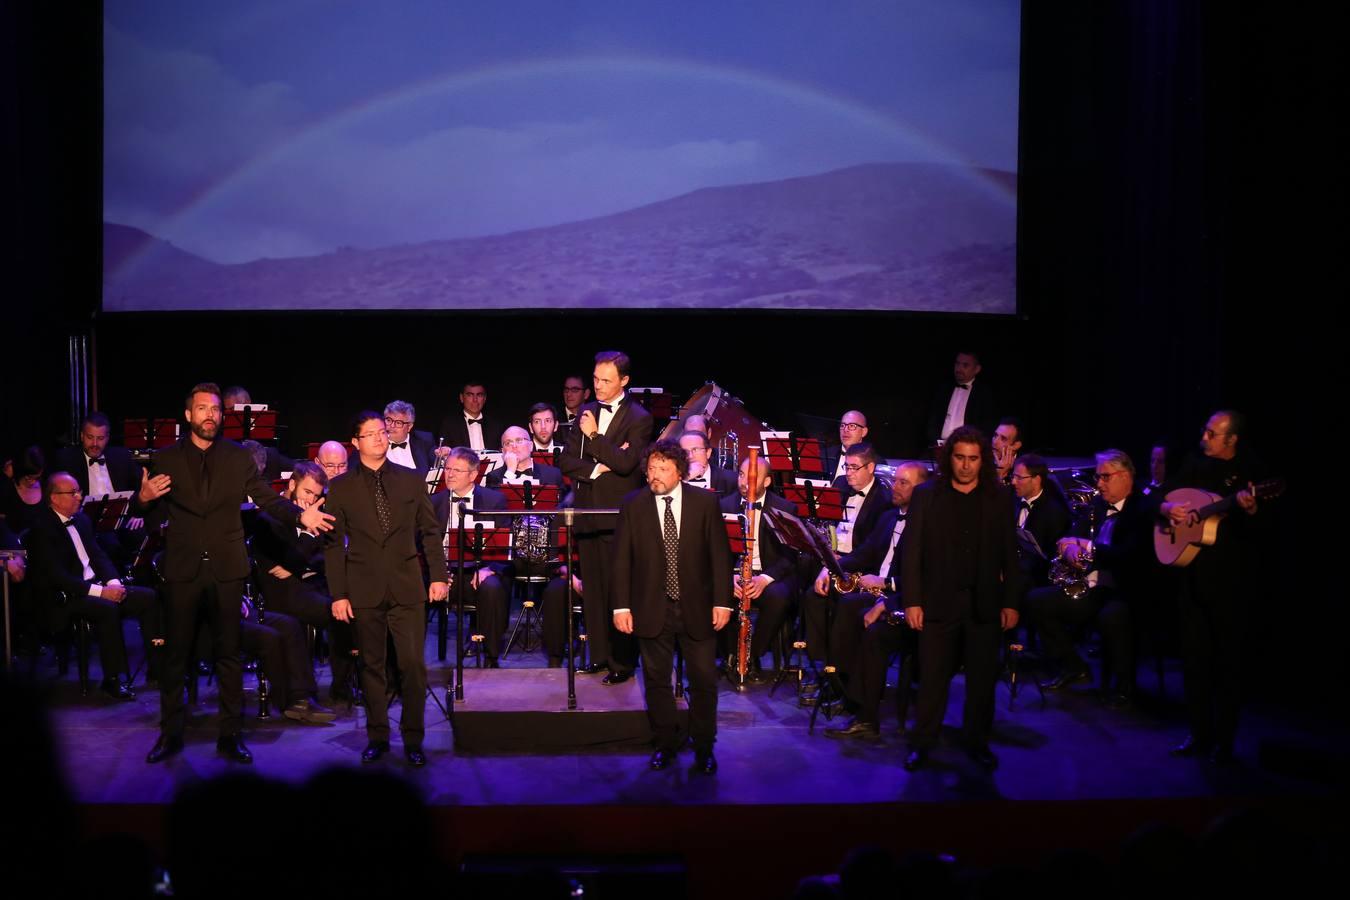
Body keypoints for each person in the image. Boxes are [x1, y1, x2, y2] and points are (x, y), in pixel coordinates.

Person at [136, 383, 334, 764]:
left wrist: (300, 514)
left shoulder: (237, 457)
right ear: (188, 415)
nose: (209, 414)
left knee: (228, 653)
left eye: (215, 409)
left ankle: (230, 735)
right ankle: (170, 734)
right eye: (202, 409)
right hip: (183, 569)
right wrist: (142, 499)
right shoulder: (166, 458)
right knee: (177, 656)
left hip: (227, 569)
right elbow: (148, 515)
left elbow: (267, 498)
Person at [324, 411, 448, 766]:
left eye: (383, 432)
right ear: (356, 442)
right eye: (371, 434)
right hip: (362, 589)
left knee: (412, 665)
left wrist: (438, 575)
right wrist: (338, 594)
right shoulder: (342, 486)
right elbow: (333, 545)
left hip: (407, 585)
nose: (380, 437)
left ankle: (413, 739)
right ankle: (377, 736)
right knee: (371, 666)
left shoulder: (411, 480)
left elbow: (429, 530)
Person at [900, 426, 1020, 771]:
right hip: (938, 603)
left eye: (972, 459)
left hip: (983, 603)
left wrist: (1011, 602)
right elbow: (912, 553)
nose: (966, 465)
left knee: (982, 682)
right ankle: (923, 743)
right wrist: (912, 601)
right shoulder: (926, 495)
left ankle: (977, 742)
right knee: (933, 679)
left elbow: (1009, 556)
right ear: (948, 457)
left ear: (981, 460)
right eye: (959, 457)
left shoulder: (997, 498)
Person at [612, 439, 733, 774]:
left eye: (663, 469)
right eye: (651, 469)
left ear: (680, 471)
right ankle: (664, 744)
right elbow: (621, 560)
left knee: (703, 681)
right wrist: (621, 607)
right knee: (656, 681)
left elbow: (720, 557)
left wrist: (723, 601)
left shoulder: (704, 503)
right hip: (652, 608)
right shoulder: (634, 505)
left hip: (697, 608)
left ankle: (704, 746)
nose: (655, 475)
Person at [1162, 410, 1263, 764]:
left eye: (1212, 433)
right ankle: (1199, 734)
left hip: (1231, 586)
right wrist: (1169, 506)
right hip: (1193, 579)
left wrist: (1250, 512)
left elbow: (1262, 534)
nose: (1203, 437)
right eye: (1205, 431)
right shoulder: (1194, 463)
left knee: (1228, 666)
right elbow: (1161, 496)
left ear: (1231, 439)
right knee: (1194, 663)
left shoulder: (1251, 471)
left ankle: (1225, 741)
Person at [558, 350, 653, 684]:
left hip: (618, 517)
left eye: (606, 381)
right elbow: (567, 462)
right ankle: (598, 656)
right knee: (594, 591)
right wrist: (600, 466)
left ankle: (622, 663)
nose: (597, 386)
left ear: (624, 381)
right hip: (587, 513)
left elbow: (628, 466)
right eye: (595, 379)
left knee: (619, 591)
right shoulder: (586, 411)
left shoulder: (639, 417)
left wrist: (596, 438)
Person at [1027, 450, 1150, 707]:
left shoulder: (1142, 508)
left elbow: (1130, 554)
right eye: (1098, 477)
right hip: (1094, 587)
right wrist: (1069, 546)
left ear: (1125, 476)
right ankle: (1073, 666)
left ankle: (1124, 683)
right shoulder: (1096, 505)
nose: (1099, 483)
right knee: (1037, 600)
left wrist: (1090, 550)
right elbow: (1072, 536)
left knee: (1112, 617)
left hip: (1126, 588)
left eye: (1105, 477)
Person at [25, 472, 163, 700]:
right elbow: (57, 577)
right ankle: (113, 678)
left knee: (149, 597)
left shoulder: (82, 520)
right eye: (73, 493)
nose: (79, 497)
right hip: (66, 594)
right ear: (54, 498)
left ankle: (157, 667)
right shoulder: (42, 528)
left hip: (94, 586)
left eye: (79, 491)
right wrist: (101, 592)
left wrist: (114, 583)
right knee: (107, 609)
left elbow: (99, 556)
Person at [816, 461, 929, 731]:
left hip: (904, 597)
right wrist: (831, 567)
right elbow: (864, 552)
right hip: (877, 591)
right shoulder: (890, 517)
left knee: (869, 627)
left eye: (904, 483)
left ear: (923, 489)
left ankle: (862, 707)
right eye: (896, 480)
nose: (896, 486)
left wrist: (886, 584)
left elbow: (926, 578)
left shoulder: (927, 526)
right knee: (844, 605)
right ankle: (841, 685)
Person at [247, 459, 353, 708]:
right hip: (282, 594)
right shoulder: (268, 518)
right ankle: (312, 694)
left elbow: (325, 558)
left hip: (312, 585)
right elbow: (282, 562)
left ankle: (342, 688)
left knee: (347, 607)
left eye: (317, 495)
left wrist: (298, 564)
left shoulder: (318, 517)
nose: (310, 500)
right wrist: (305, 540)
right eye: (307, 492)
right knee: (337, 614)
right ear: (292, 484)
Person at [718, 455, 801, 681]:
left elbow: (789, 556)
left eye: (752, 477)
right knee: (718, 593)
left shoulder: (785, 508)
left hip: (770, 575)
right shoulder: (724, 505)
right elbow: (717, 552)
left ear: (766, 482)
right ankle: (730, 656)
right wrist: (728, 578)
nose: (744, 482)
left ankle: (752, 657)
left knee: (778, 599)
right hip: (736, 575)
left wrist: (765, 578)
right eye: (742, 475)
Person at [430, 447, 509, 667]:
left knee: (493, 587)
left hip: (479, 571)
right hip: (446, 573)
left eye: (457, 470)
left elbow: (504, 544)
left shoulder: (495, 500)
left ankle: (492, 656)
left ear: (473, 475)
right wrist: (437, 574)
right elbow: (422, 544)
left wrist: (488, 569)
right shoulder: (434, 502)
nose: (450, 474)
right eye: (448, 468)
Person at [925, 351, 997, 445]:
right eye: (957, 364)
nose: (959, 369)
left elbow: (986, 427)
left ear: (977, 369)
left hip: (968, 447)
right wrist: (937, 442)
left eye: (965, 365)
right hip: (940, 446)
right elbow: (932, 421)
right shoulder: (944, 389)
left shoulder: (984, 394)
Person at [484, 427, 564, 489]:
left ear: (531, 446)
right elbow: (495, 507)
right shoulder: (494, 477)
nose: (514, 446)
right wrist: (510, 472)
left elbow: (563, 506)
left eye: (519, 441)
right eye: (508, 443)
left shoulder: (553, 474)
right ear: (503, 451)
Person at [437, 381, 503, 452]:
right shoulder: (449, 425)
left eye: (479, 395)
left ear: (484, 399)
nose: (475, 400)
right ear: (462, 398)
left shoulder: (496, 426)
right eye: (470, 395)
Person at [382, 400, 438, 472]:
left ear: (409, 427)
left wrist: (443, 457)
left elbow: (437, 466)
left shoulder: (424, 441)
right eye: (389, 420)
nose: (392, 426)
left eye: (398, 423)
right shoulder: (376, 442)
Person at [679, 430, 737, 497]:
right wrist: (685, 478)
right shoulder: (672, 480)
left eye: (695, 450)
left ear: (708, 453)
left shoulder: (731, 480)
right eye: (684, 451)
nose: (690, 456)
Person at [823, 411, 870, 483]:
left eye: (852, 426)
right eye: (842, 425)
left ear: (863, 432)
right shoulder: (824, 455)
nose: (845, 430)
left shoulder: (874, 461)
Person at [992, 417, 1025, 484]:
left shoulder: (1025, 469)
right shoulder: (982, 461)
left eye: (1003, 439)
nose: (995, 442)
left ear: (1016, 445)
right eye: (995, 435)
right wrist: (1000, 473)